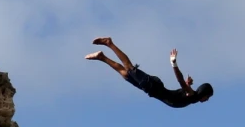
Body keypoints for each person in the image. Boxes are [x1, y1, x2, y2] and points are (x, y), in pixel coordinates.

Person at [85, 36, 213, 108]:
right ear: (204, 94)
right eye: (208, 97)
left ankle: (102, 57)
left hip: (151, 90)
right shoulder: (192, 95)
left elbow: (182, 87)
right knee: (129, 67)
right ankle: (109, 43)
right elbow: (180, 80)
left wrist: (187, 84)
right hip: (153, 86)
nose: (207, 100)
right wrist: (173, 63)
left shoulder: (191, 95)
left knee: (125, 74)